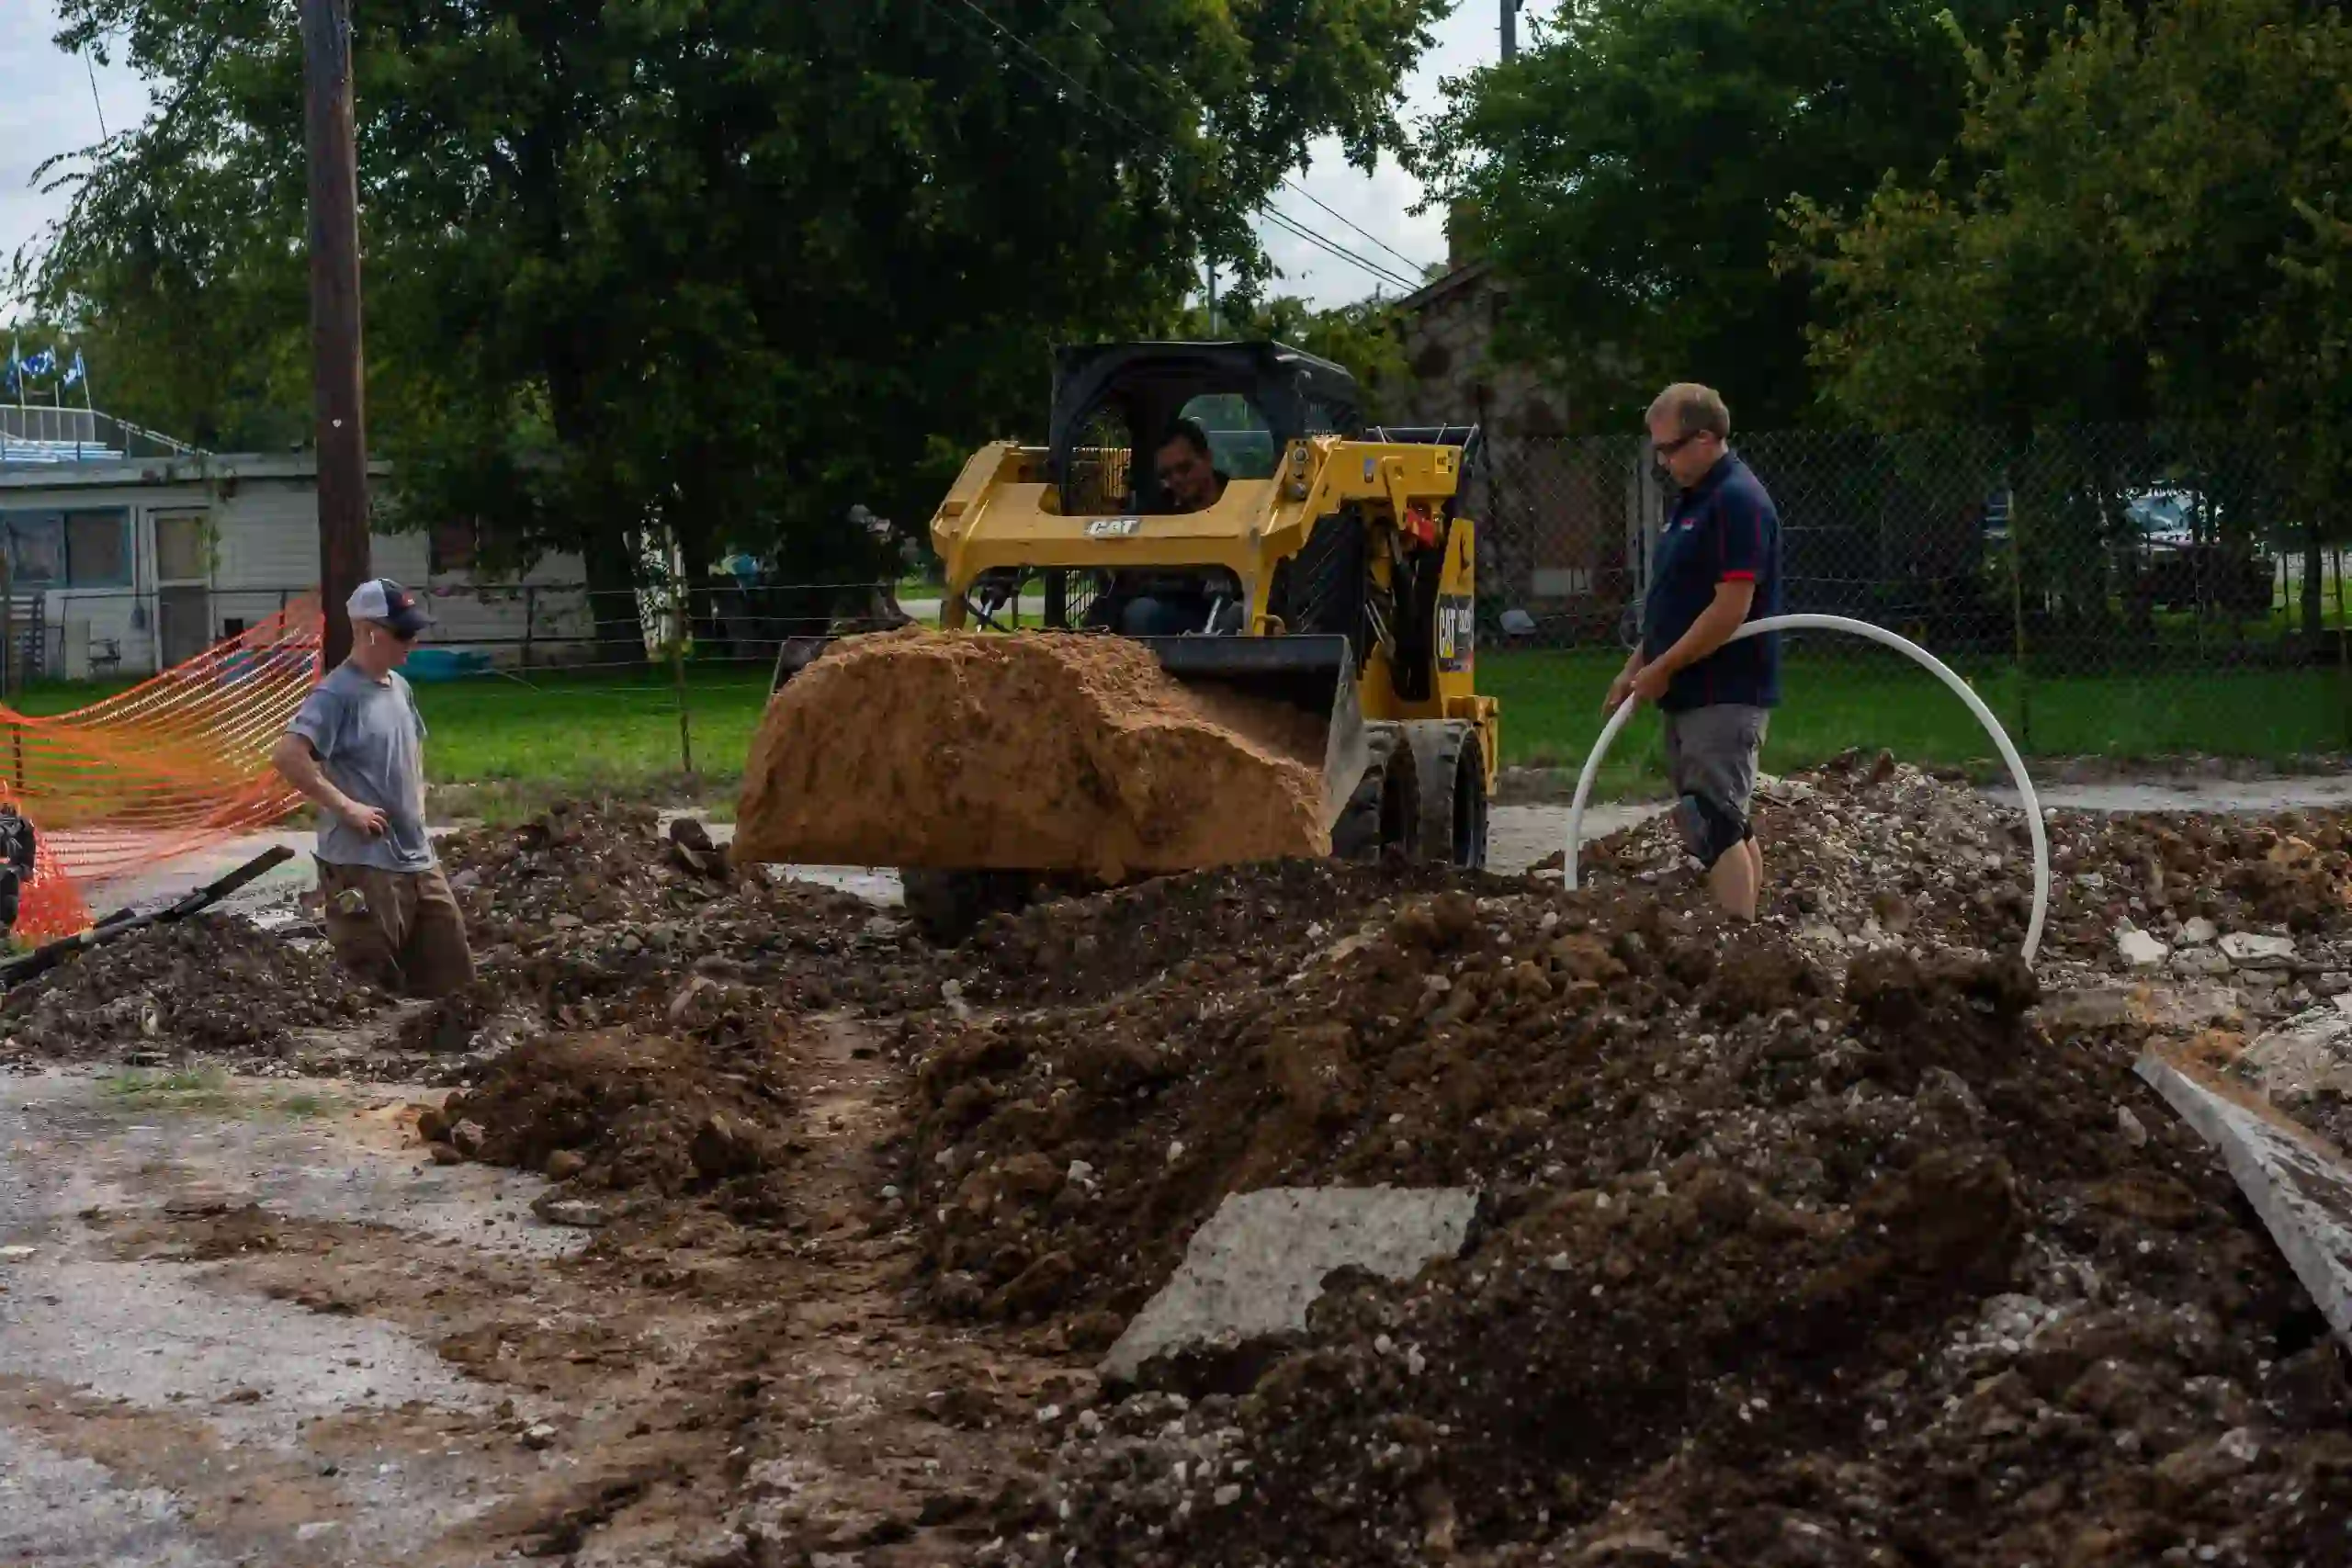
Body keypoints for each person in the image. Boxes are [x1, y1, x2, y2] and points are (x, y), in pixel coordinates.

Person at [1604, 383, 1782, 920]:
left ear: (1707, 437)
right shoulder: (1694, 501)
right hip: (1689, 689)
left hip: (1724, 690)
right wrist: (1634, 668)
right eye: (1657, 449)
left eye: (1671, 447)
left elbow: (1731, 608)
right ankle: (1746, 936)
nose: (1663, 461)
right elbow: (1674, 606)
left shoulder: (1736, 500)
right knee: (1720, 822)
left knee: (1715, 821)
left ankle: (1739, 943)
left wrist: (1662, 667)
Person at [272, 579, 475, 997]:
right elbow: (289, 756)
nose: (412, 643)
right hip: (363, 865)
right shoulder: (335, 694)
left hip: (416, 857)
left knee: (455, 983)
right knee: (371, 992)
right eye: (403, 634)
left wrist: (416, 798)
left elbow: (412, 747)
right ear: (369, 632)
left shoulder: (400, 687)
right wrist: (348, 809)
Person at [1152, 419, 1227, 513]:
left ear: (1207, 458)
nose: (1176, 479)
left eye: (1184, 468)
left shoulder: (1241, 500)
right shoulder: (1161, 514)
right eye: (1166, 474)